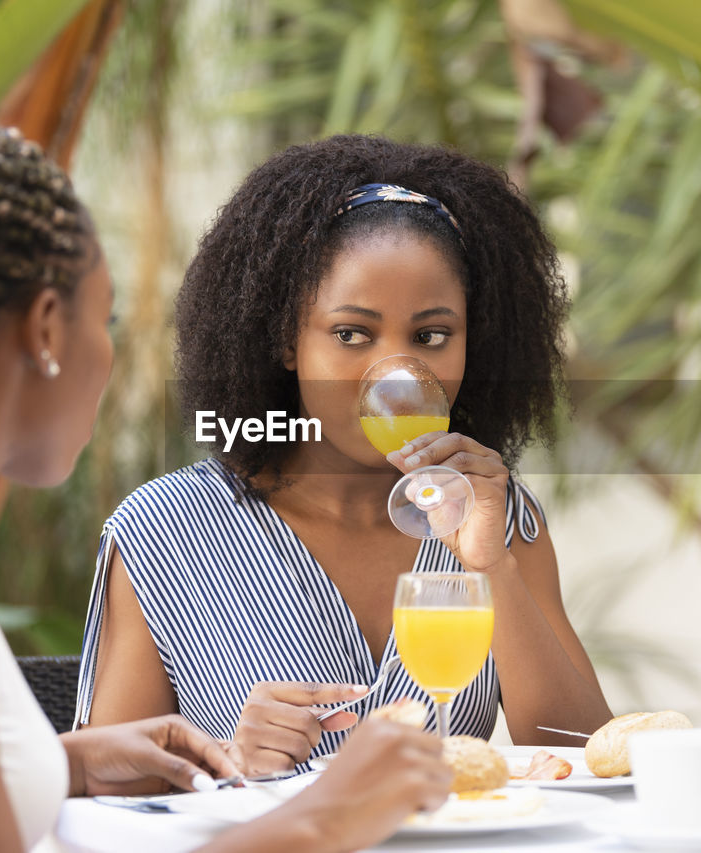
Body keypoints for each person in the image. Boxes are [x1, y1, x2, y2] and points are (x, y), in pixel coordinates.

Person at [0, 108, 451, 853]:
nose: (108, 360)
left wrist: (65, 763)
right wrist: (322, 819)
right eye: (105, 317)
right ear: (44, 329)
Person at [76, 135, 614, 774]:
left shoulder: (491, 513)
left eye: (432, 335)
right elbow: (103, 794)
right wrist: (230, 759)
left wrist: (493, 567)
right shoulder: (164, 533)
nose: (396, 371)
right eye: (351, 334)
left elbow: (588, 756)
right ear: (285, 341)